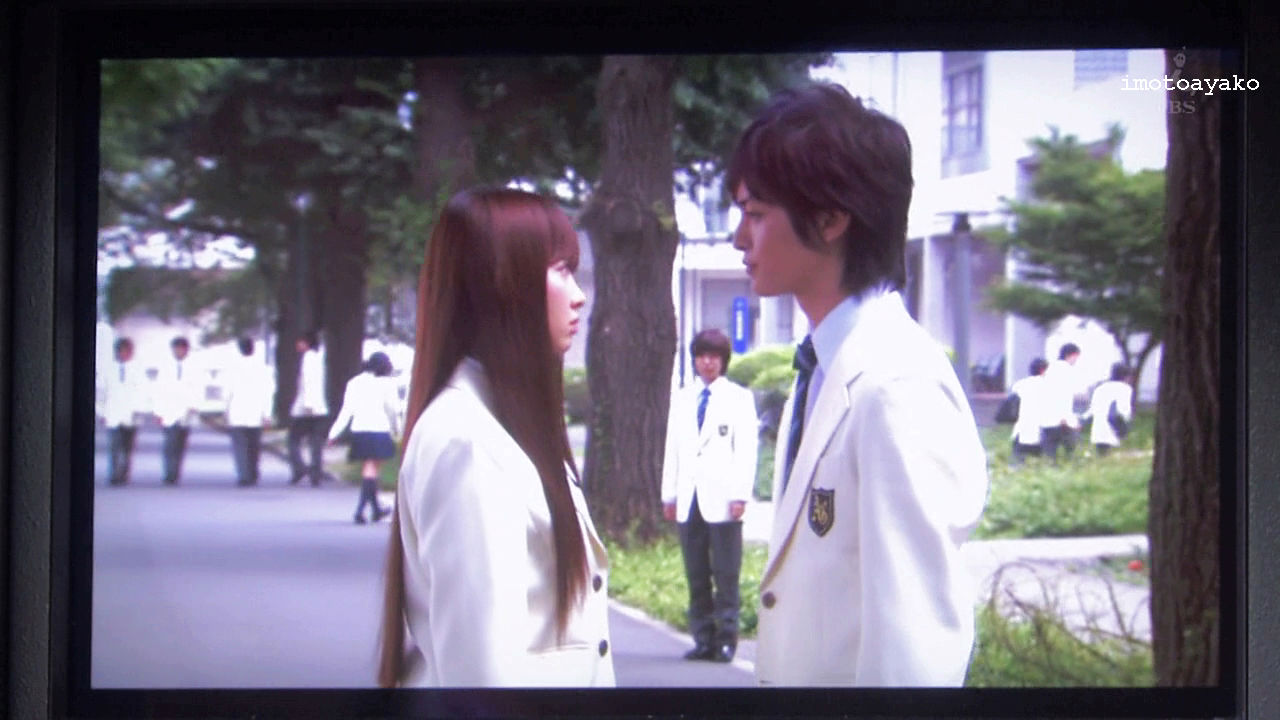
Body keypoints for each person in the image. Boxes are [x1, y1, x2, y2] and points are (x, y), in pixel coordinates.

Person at [727, 82, 988, 686]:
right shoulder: (824, 367)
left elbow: (914, 651)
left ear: (830, 218)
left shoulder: (896, 387)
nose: (740, 238)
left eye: (756, 215)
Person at [376, 187, 614, 688]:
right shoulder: (466, 440)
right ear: (504, 284)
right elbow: (481, 678)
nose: (579, 295)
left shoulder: (504, 423)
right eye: (561, 271)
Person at [660, 328, 758, 663]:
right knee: (697, 572)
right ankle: (703, 638)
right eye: (702, 356)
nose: (707, 362)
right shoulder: (683, 398)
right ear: (694, 360)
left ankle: (727, 639)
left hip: (724, 498)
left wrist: (740, 495)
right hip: (689, 497)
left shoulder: (739, 399)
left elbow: (746, 451)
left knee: (726, 573)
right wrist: (669, 494)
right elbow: (672, 448)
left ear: (724, 360)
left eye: (714, 356)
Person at [328, 351, 400, 524]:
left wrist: (333, 433)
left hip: (360, 430)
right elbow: (393, 410)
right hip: (379, 429)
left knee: (371, 470)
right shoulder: (387, 384)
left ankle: (376, 510)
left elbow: (346, 411)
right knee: (372, 469)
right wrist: (397, 429)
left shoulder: (355, 383)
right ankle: (360, 511)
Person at [223, 337, 274, 487]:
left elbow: (227, 393)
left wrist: (225, 410)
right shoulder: (264, 369)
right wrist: (267, 414)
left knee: (240, 446)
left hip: (237, 412)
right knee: (254, 446)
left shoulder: (232, 369)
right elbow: (268, 393)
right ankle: (253, 472)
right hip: (256, 412)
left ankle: (243, 474)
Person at [99, 337, 145, 486]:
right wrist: (101, 412)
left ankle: (124, 473)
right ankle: (114, 474)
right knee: (114, 446)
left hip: (131, 415)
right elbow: (101, 393)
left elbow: (143, 393)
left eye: (127, 351)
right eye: (121, 351)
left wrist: (140, 409)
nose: (124, 354)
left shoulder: (137, 370)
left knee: (127, 448)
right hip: (113, 413)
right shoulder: (108, 370)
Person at [288, 329, 330, 485]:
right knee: (316, 442)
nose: (297, 345)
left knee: (293, 440)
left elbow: (308, 382)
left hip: (306, 409)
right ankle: (315, 473)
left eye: (300, 341)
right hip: (320, 407)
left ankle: (299, 468)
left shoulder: (308, 358)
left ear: (306, 343)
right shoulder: (319, 357)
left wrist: (308, 405)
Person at [154, 335, 198, 485]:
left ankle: (175, 471)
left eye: (182, 349)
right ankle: (169, 473)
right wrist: (158, 412)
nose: (179, 352)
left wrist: (194, 406)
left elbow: (197, 389)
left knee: (180, 444)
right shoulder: (165, 368)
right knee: (169, 444)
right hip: (169, 411)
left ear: (187, 350)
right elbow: (158, 391)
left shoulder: (194, 368)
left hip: (186, 413)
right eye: (176, 349)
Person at [1041, 342, 1083, 464]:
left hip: (1047, 419)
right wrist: (1068, 419)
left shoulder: (1050, 369)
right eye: (1076, 357)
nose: (1076, 361)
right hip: (1062, 421)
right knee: (1072, 453)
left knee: (1050, 456)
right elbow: (1063, 397)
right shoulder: (1066, 370)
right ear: (1071, 355)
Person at [1085, 362, 1134, 456]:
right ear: (1126, 376)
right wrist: (1127, 425)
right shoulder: (1125, 389)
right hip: (1114, 428)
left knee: (1102, 455)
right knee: (1113, 456)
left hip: (1098, 430)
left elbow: (1092, 409)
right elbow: (1123, 411)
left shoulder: (1100, 388)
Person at [1009, 357, 1050, 467]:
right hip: (1040, 431)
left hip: (1020, 429)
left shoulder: (1019, 385)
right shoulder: (1047, 386)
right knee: (1041, 464)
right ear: (1043, 370)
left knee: (1017, 462)